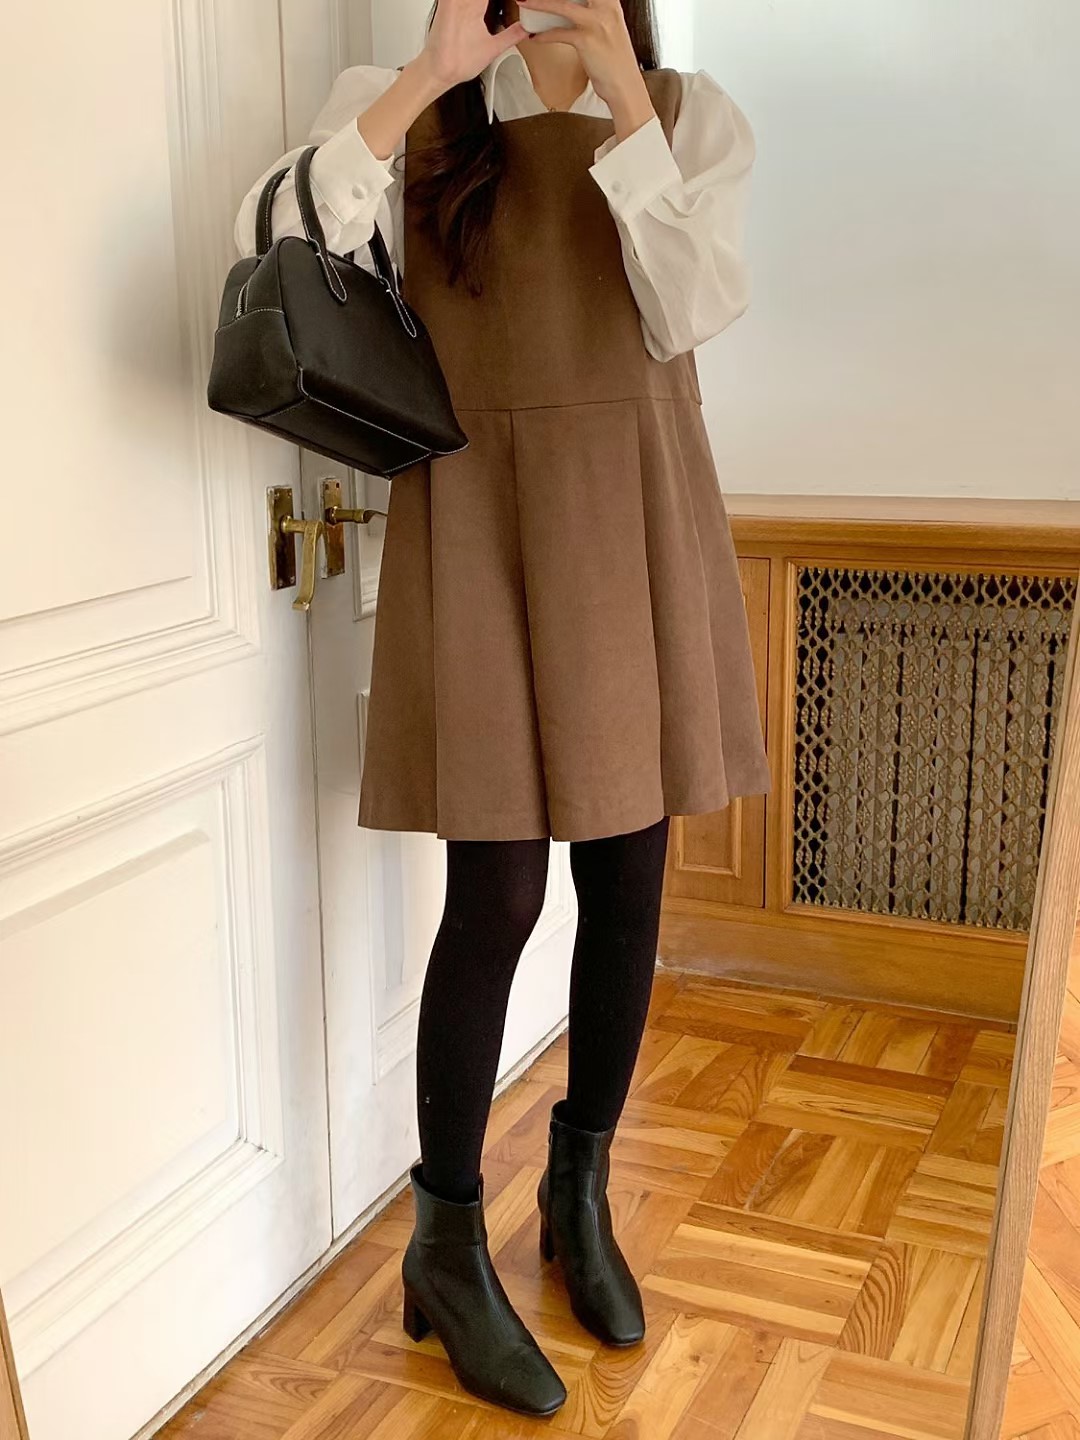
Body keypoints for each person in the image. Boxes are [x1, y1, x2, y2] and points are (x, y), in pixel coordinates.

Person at [235, 0, 770, 1417]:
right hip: (477, 525)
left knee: (630, 880)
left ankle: (578, 1192)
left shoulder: (691, 113)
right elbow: (273, 241)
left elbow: (694, 308)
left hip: (634, 523)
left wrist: (625, 101)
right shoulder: (412, 99)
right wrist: (430, 76)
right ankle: (447, 1243)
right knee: (497, 897)